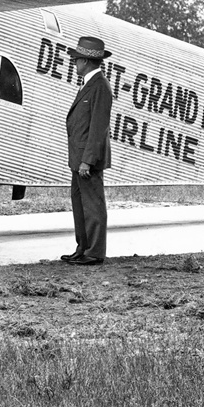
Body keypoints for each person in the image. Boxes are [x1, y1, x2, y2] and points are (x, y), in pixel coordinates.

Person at [62, 36, 114, 266]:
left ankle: (94, 251)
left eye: (75, 60)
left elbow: (98, 128)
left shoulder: (100, 86)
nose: (74, 64)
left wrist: (88, 161)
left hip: (87, 160)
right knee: (80, 204)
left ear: (85, 61)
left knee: (92, 205)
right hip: (79, 158)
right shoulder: (90, 84)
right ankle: (82, 248)